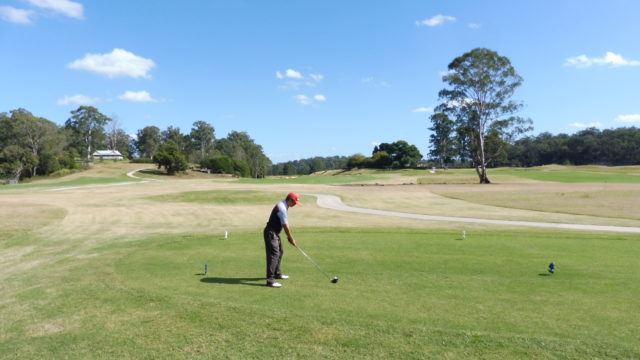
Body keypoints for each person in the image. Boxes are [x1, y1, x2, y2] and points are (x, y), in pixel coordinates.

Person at [263, 192, 300, 288]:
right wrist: (291, 238)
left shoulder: (285, 205)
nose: (295, 204)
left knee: (280, 252)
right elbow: (286, 226)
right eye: (295, 202)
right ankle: (270, 280)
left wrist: (289, 238)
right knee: (274, 254)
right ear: (290, 200)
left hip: (275, 232)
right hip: (271, 232)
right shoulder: (282, 208)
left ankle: (277, 273)